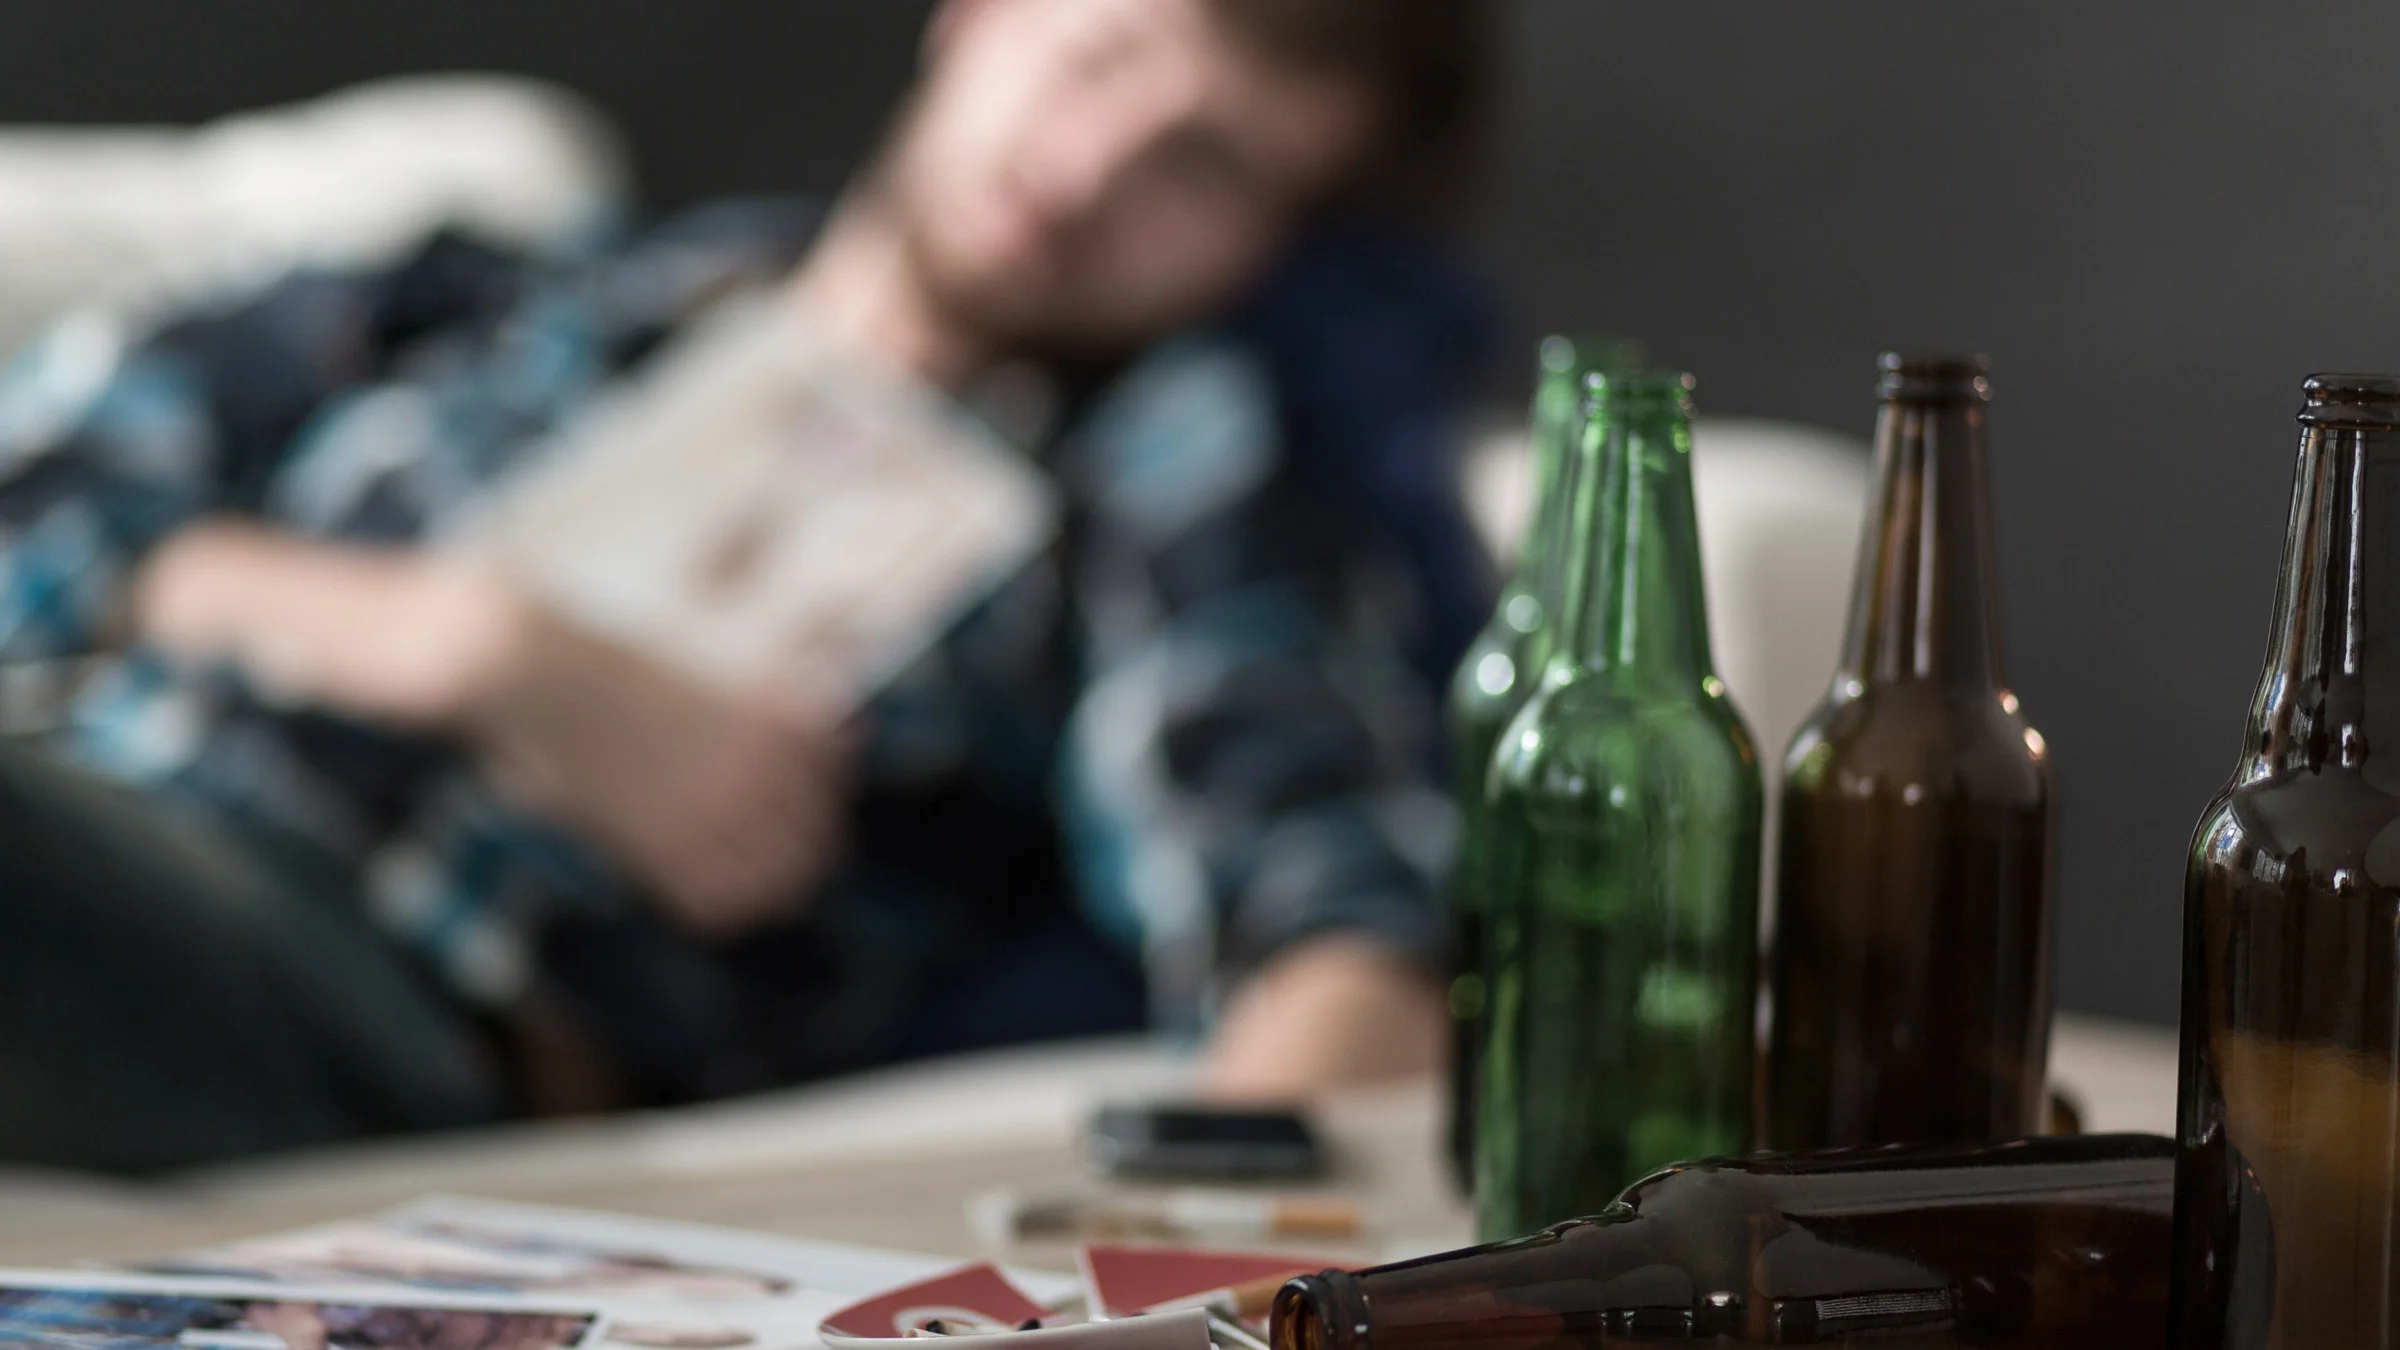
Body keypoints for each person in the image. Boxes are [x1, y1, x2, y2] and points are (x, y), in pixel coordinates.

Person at [0, 0, 1493, 1171]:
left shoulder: (1156, 474)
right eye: (1099, 56)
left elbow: (1323, 907)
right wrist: (457, 641)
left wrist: (1258, 1233)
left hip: (376, 999)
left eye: (1207, 163)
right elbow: (41, 480)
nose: (1093, 166)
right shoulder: (520, 295)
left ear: (1272, 247)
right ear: (978, 15)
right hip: (91, 788)